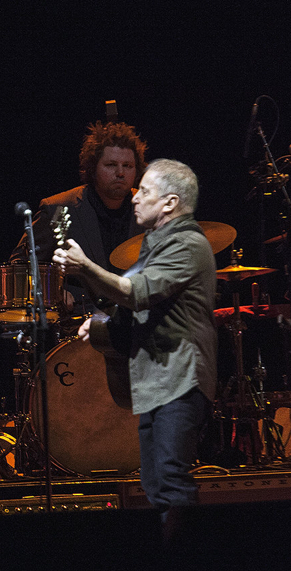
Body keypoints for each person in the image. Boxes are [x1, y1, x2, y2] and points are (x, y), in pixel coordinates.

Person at [52, 158, 216, 521]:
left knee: (171, 479)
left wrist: (86, 267)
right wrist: (99, 325)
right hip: (159, 379)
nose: (134, 196)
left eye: (144, 190)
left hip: (181, 377)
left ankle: (190, 570)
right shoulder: (156, 245)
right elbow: (130, 308)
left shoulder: (186, 243)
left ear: (170, 203)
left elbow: (137, 292)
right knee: (156, 482)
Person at [11, 121, 148, 314]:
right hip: (79, 325)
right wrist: (54, 291)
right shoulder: (57, 208)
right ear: (93, 169)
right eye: (111, 165)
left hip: (137, 323)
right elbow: (20, 266)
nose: (120, 173)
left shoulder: (150, 210)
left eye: (128, 166)